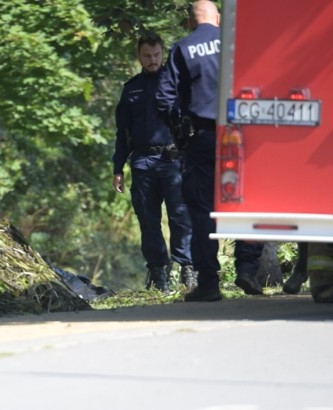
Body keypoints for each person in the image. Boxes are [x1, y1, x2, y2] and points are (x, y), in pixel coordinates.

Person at [156, 0, 264, 302]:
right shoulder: (238, 45)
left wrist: (180, 133)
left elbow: (165, 99)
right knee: (247, 199)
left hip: (202, 136)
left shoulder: (183, 48)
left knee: (201, 208)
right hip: (243, 135)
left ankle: (209, 283)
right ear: (218, 18)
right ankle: (247, 267)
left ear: (192, 22)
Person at [112, 32, 195, 293]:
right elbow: (122, 132)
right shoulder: (132, 88)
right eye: (147, 56)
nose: (152, 60)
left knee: (180, 217)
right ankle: (159, 273)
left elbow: (190, 125)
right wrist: (117, 168)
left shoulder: (176, 86)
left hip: (172, 160)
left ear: (163, 54)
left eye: (157, 55)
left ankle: (187, 269)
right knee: (148, 220)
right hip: (142, 161)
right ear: (139, 56)